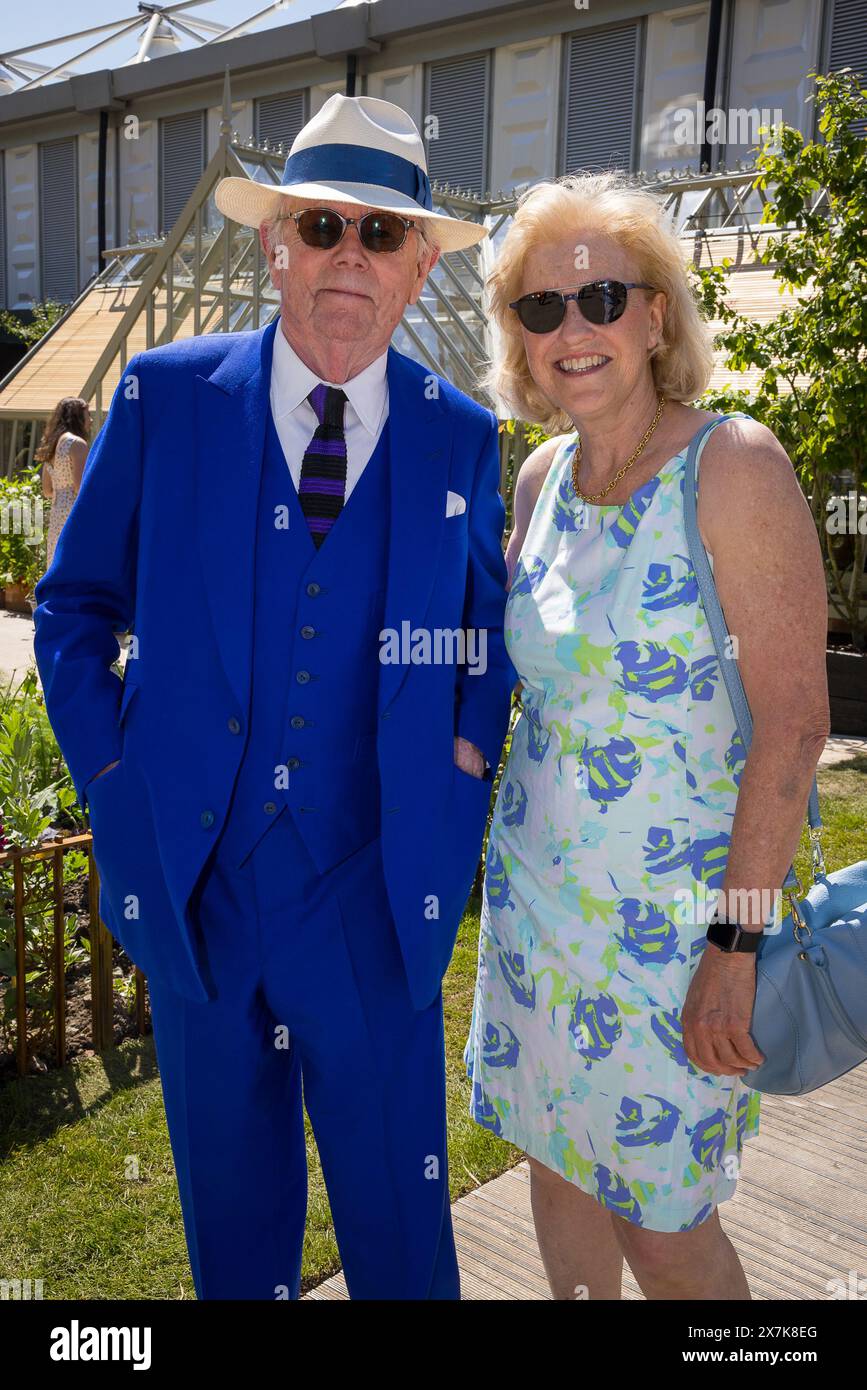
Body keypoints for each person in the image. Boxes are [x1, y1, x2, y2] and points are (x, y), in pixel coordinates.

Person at [33, 94, 513, 1300]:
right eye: (321, 226)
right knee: (235, 1242)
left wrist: (462, 759)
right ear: (273, 244)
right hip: (200, 893)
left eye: (382, 232)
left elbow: (487, 633)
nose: (349, 253)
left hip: (375, 894)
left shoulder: (460, 435)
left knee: (402, 1241)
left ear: (414, 271)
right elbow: (73, 605)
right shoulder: (166, 397)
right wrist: (112, 776)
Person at [464, 170, 830, 1300]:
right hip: (537, 912)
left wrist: (737, 943)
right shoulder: (538, 479)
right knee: (557, 1172)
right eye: (540, 308)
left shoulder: (735, 466)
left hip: (678, 939)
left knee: (666, 1228)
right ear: (517, 340)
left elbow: (795, 733)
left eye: (602, 298)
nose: (572, 330)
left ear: (657, 314)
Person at [36, 398, 91, 567]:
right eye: (87, 415)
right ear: (77, 416)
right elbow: (80, 487)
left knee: (57, 563)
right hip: (74, 514)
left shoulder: (53, 444)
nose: (90, 420)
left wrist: (63, 492)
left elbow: (47, 490)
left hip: (57, 513)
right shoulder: (77, 444)